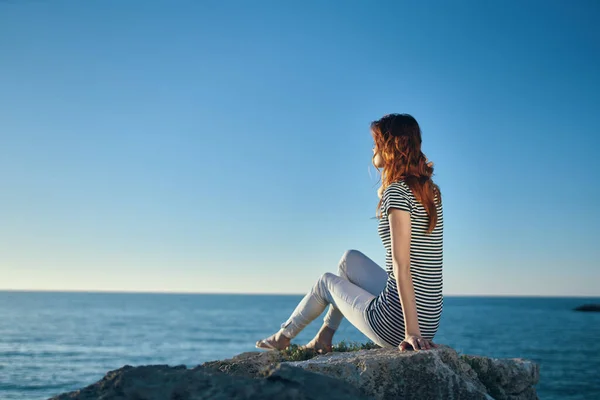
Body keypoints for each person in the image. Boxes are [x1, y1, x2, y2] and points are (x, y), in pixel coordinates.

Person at [256, 113, 443, 353]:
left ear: (391, 147)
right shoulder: (430, 192)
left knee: (325, 282)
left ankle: (283, 336)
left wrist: (412, 333)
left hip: (397, 325)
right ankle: (324, 337)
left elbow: (401, 266)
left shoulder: (396, 193)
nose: (373, 148)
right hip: (429, 318)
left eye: (377, 142)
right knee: (348, 260)